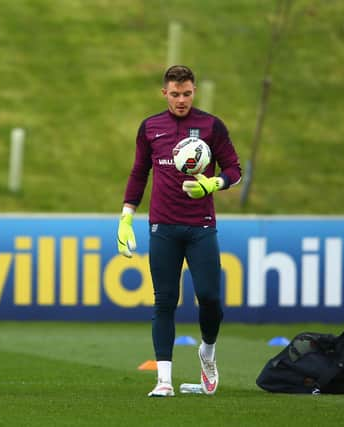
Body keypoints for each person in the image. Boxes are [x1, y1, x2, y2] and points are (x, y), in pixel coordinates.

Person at [117, 65, 241, 397]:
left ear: (194, 91)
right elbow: (139, 172)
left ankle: (208, 352)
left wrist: (214, 183)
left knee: (211, 299)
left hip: (201, 227)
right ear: (165, 93)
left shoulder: (212, 126)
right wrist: (126, 216)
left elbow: (234, 169)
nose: (181, 100)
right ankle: (164, 380)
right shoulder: (150, 127)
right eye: (175, 94)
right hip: (163, 227)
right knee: (165, 301)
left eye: (186, 93)